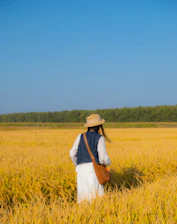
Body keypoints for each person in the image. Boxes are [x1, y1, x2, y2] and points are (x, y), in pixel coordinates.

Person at [70, 114, 111, 203]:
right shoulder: (99, 138)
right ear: (99, 126)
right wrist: (107, 164)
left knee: (83, 197)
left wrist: (77, 163)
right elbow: (103, 158)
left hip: (80, 170)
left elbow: (72, 153)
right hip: (94, 170)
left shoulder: (80, 136)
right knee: (95, 198)